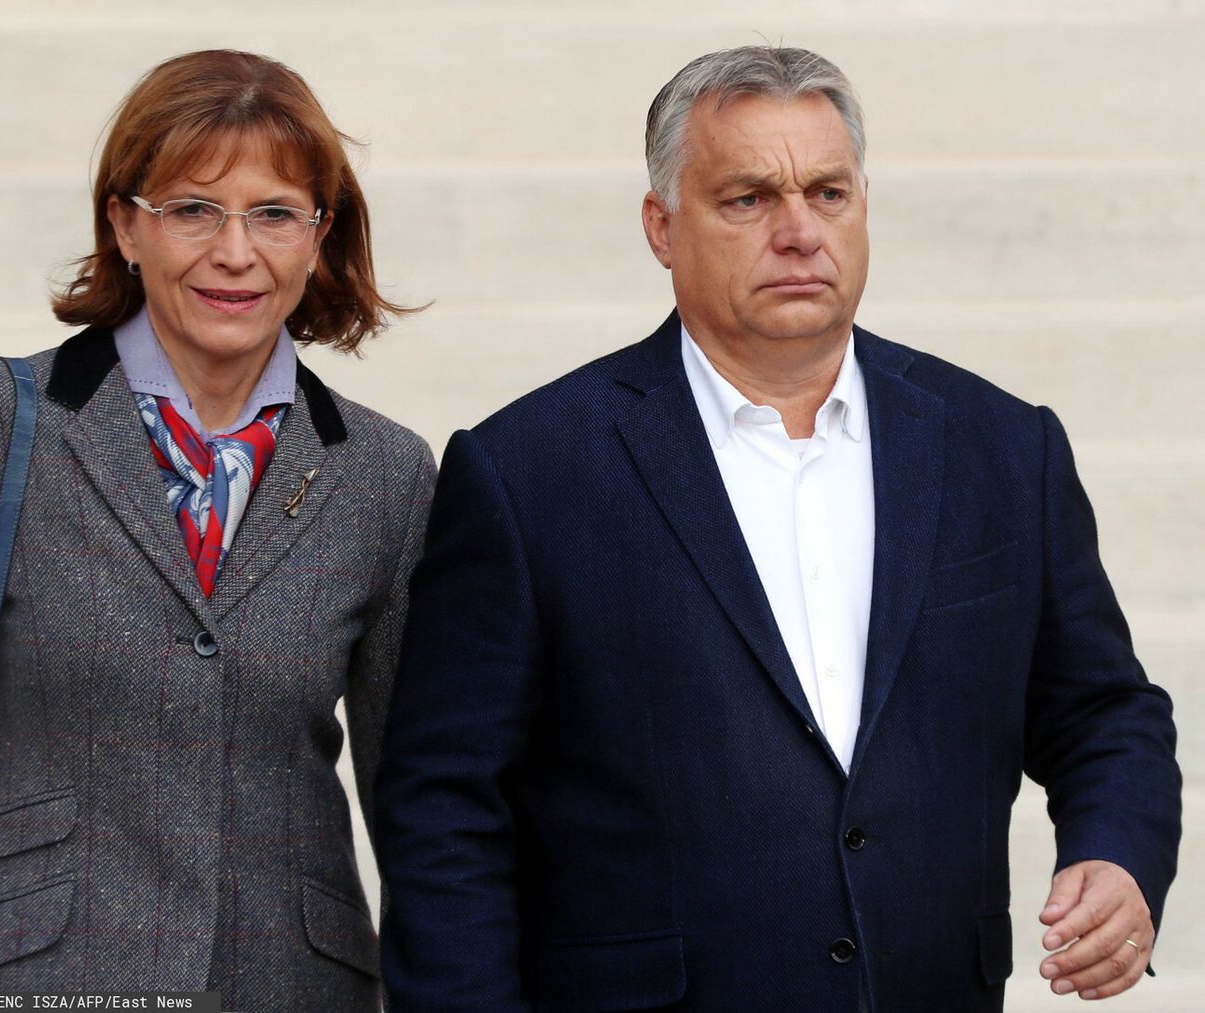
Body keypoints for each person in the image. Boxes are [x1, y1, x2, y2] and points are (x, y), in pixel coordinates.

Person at [374, 45, 1180, 1011]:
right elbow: (445, 811)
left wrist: (1119, 855)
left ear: (865, 208)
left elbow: (1105, 714)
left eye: (828, 193)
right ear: (662, 228)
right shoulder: (526, 471)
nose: (799, 231)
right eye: (749, 198)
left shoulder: (1003, 447)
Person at [0, 49, 434, 1010]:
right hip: (22, 979)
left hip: (291, 985)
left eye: (276, 213)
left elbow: (419, 799)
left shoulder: (386, 474)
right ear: (124, 225)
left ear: (319, 235)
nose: (235, 252)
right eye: (193, 209)